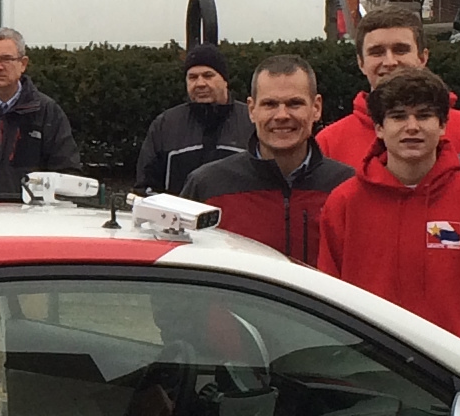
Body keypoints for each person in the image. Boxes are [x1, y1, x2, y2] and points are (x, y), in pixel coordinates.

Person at [315, 66, 460, 349]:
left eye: (423, 115)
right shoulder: (345, 203)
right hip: (365, 371)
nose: (412, 127)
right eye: (398, 117)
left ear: (443, 125)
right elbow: (330, 299)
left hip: (456, 372)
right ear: (379, 128)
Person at [185, 56, 350, 266]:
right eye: (270, 104)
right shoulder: (207, 186)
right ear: (252, 110)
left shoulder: (345, 188)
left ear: (316, 108)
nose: (282, 115)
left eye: (295, 103)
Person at [315, 10, 460, 172]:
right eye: (377, 52)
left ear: (423, 57)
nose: (390, 61)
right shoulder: (330, 142)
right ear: (361, 63)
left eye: (400, 50)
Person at [0, 29, 80, 196]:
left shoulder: (47, 112)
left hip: (29, 215)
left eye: (6, 59)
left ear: (23, 64)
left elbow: (67, 171)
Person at [136, 47, 253, 195]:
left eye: (208, 75)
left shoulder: (251, 122)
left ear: (225, 81)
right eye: (192, 77)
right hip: (179, 217)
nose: (200, 83)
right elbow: (145, 186)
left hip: (237, 217)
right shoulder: (165, 124)